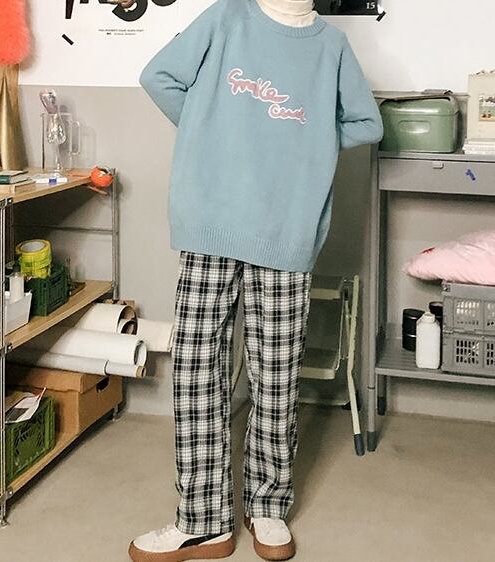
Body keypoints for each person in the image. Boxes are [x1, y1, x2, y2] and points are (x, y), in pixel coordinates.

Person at [130, 0, 383, 560]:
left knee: (277, 370)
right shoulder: (228, 17)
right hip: (209, 220)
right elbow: (158, 76)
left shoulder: (331, 46)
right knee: (196, 367)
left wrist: (303, 144)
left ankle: (268, 505)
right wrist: (210, 126)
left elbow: (369, 123)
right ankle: (203, 519)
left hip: (286, 227)